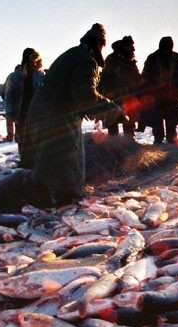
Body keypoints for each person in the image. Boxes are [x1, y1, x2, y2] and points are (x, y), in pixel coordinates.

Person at [25, 23, 123, 206]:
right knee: (68, 158)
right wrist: (114, 111)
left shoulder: (71, 54)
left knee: (46, 159)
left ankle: (44, 199)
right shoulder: (86, 60)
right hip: (56, 116)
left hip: (40, 113)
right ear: (98, 44)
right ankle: (67, 200)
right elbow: (85, 95)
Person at [140, 36, 178, 144]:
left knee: (171, 124)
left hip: (172, 96)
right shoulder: (152, 58)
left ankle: (172, 145)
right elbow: (145, 76)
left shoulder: (175, 59)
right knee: (157, 124)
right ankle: (158, 143)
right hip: (156, 97)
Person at [4, 47, 45, 159]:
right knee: (22, 142)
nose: (33, 63)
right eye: (32, 61)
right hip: (21, 115)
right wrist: (9, 113)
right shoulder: (15, 77)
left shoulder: (40, 76)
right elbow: (9, 97)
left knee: (36, 142)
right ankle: (25, 164)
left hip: (36, 115)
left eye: (35, 61)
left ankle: (34, 166)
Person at [99, 35, 141, 137]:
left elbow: (136, 77)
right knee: (113, 124)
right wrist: (108, 92)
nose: (132, 49)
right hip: (115, 97)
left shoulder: (130, 61)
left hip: (129, 97)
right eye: (130, 46)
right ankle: (114, 146)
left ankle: (129, 144)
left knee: (129, 124)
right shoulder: (112, 59)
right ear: (124, 46)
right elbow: (105, 78)